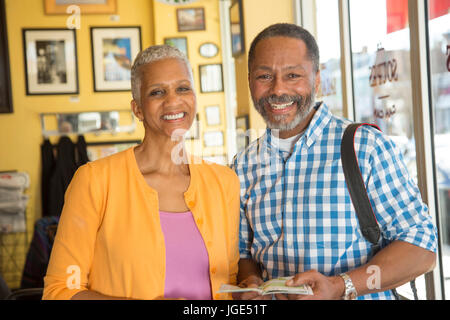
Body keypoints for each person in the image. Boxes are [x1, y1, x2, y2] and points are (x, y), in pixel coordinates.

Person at [231, 23, 437, 300]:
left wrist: (340, 286)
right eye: (264, 76)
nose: (278, 89)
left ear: (316, 80)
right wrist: (251, 282)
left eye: (293, 75)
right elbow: (244, 254)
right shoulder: (242, 167)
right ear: (249, 81)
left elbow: (422, 248)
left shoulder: (364, 147)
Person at [43, 45, 240, 300]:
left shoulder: (223, 182)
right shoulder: (95, 180)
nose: (173, 101)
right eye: (157, 92)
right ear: (137, 109)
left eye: (183, 88)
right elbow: (60, 290)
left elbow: (230, 282)